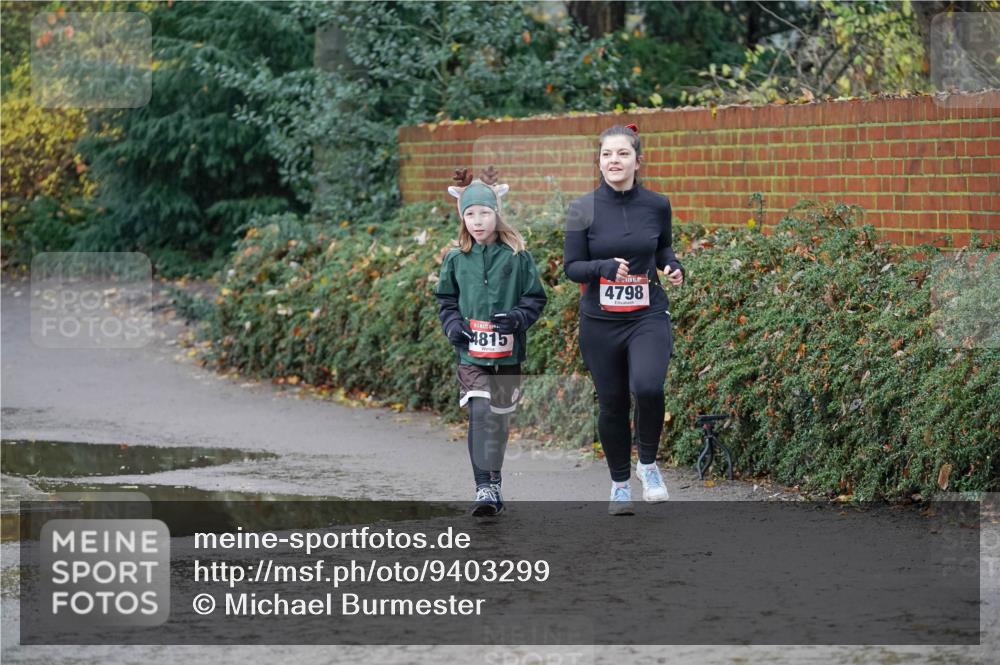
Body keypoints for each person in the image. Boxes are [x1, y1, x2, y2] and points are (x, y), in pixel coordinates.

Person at [563, 123, 685, 515]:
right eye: (606, 154)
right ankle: (619, 484)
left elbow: (663, 248)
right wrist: (602, 268)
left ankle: (647, 465)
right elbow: (571, 267)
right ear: (598, 162)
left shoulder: (657, 204)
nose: (614, 161)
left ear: (637, 159)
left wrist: (673, 266)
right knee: (613, 403)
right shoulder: (582, 209)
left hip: (647, 313)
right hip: (600, 321)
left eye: (622, 153)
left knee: (648, 386)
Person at [436, 166, 547, 516]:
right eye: (470, 214)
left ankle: (494, 481)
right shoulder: (455, 259)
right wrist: (453, 324)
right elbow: (446, 300)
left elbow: (535, 298)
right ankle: (483, 488)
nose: (478, 221)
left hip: (507, 354)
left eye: (484, 212)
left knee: (497, 421)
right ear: (462, 218)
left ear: (496, 214)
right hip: (471, 355)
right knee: (480, 413)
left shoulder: (518, 257)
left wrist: (517, 319)